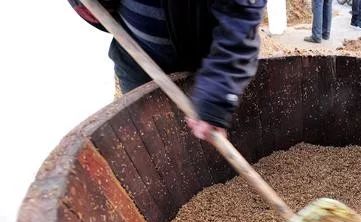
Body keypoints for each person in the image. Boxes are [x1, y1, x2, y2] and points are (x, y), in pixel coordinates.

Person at [68, 0, 265, 139]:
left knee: (212, 126)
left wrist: (216, 99)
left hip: (206, 60)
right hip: (136, 54)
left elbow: (240, 24)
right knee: (150, 134)